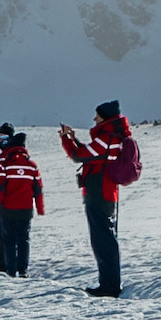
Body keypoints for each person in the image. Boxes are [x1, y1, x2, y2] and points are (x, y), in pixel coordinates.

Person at [59, 100, 136, 297]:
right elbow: (91, 155)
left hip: (99, 193)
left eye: (98, 115)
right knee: (107, 238)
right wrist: (74, 138)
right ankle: (109, 283)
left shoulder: (106, 137)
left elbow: (79, 156)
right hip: (108, 192)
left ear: (106, 117)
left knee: (103, 241)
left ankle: (109, 287)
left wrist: (67, 140)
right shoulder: (113, 137)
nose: (94, 119)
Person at [0, 132, 43, 276]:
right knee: (24, 239)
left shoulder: (5, 165)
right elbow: (38, 189)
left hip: (8, 209)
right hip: (26, 209)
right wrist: (40, 208)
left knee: (9, 239)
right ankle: (23, 270)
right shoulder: (32, 165)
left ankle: (11, 270)